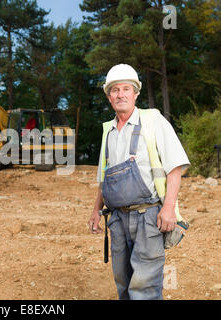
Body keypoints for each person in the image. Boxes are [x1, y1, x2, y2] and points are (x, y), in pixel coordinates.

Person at [88, 64, 190, 300]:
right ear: (109, 96)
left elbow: (174, 167)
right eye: (115, 90)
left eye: (126, 89)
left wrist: (168, 208)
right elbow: (105, 179)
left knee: (144, 288)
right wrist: (95, 210)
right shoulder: (108, 132)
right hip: (118, 220)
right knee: (124, 285)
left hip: (148, 217)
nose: (120, 94)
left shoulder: (153, 120)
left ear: (135, 94)